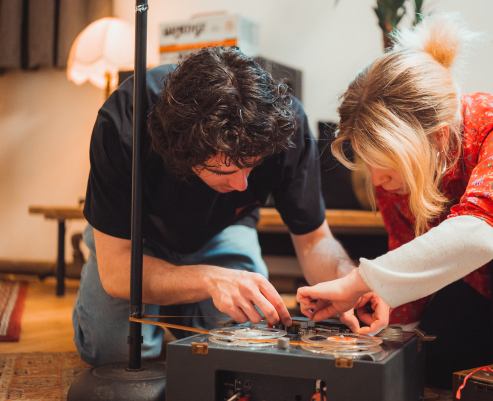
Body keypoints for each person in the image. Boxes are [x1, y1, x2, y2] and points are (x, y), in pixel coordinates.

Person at [297, 14, 493, 388]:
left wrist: (356, 281)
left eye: (388, 166)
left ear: (439, 139)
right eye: (369, 164)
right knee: (436, 357)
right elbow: (410, 249)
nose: (378, 180)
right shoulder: (393, 173)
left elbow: (482, 232)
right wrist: (387, 331)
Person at [73, 46, 389, 366]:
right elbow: (116, 271)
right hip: (136, 239)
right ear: (182, 152)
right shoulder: (124, 122)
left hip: (224, 230)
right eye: (224, 171)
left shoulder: (286, 123)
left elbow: (313, 241)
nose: (242, 186)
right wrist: (211, 280)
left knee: (248, 339)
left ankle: (178, 302)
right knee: (113, 350)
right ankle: (177, 299)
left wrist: (350, 281)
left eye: (252, 166)